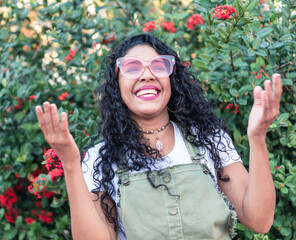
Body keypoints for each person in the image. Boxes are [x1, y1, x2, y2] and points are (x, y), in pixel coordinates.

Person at [35, 34, 281, 240]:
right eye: (131, 67)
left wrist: (257, 137)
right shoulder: (101, 160)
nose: (147, 75)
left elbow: (259, 221)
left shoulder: (207, 139)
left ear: (171, 79)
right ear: (117, 84)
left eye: (159, 66)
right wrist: (70, 163)